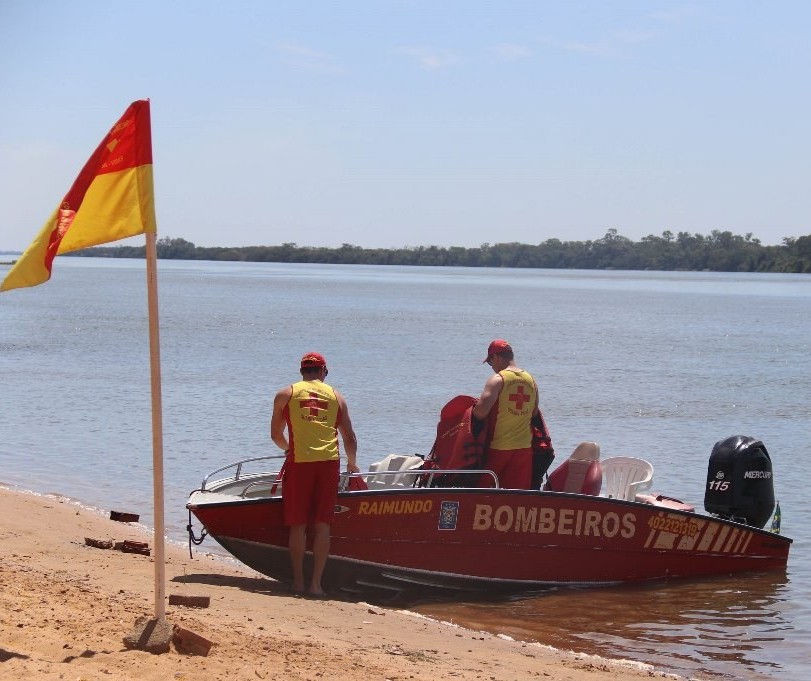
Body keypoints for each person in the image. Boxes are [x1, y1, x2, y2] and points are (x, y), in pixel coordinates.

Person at [270, 352, 359, 597]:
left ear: (301, 372)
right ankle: (316, 585)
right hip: (328, 464)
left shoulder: (284, 395)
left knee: (297, 524)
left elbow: (276, 435)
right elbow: (350, 438)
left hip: (299, 462)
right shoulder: (337, 397)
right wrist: (353, 465)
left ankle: (298, 583)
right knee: (322, 524)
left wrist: (289, 449)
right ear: (323, 372)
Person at [472, 339, 539, 489]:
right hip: (524, 450)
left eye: (490, 362)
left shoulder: (498, 380)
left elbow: (480, 413)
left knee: (482, 495)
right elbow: (534, 413)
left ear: (496, 357)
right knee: (517, 498)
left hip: (498, 448)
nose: (491, 367)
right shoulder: (531, 380)